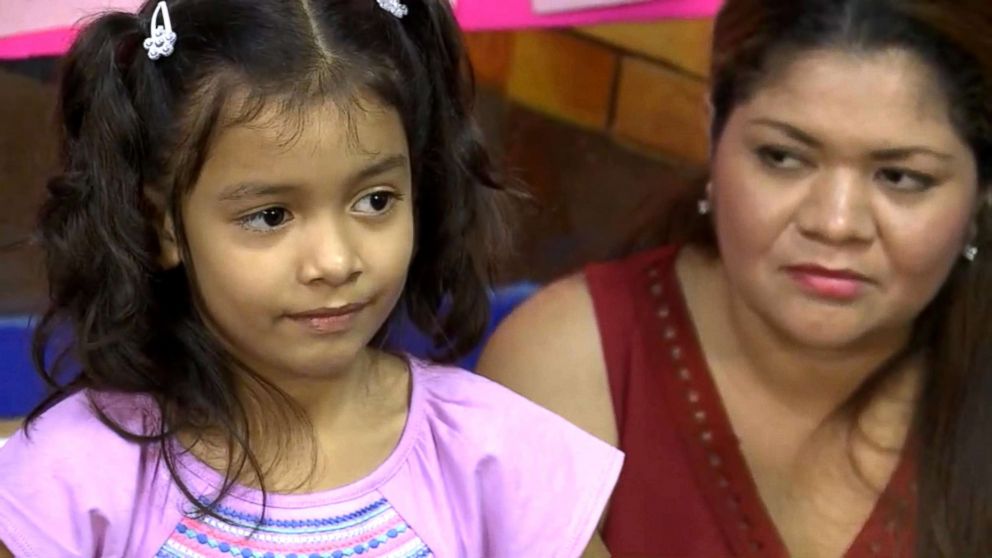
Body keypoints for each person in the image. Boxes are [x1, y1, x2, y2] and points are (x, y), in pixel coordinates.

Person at [0, 1, 622, 556]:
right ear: (163, 227)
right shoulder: (73, 484)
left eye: (375, 201)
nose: (335, 261)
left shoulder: (499, 462)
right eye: (270, 216)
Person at [478, 0, 992, 556]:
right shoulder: (566, 369)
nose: (835, 223)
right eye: (782, 157)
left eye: (900, 177)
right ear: (712, 135)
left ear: (982, 190)